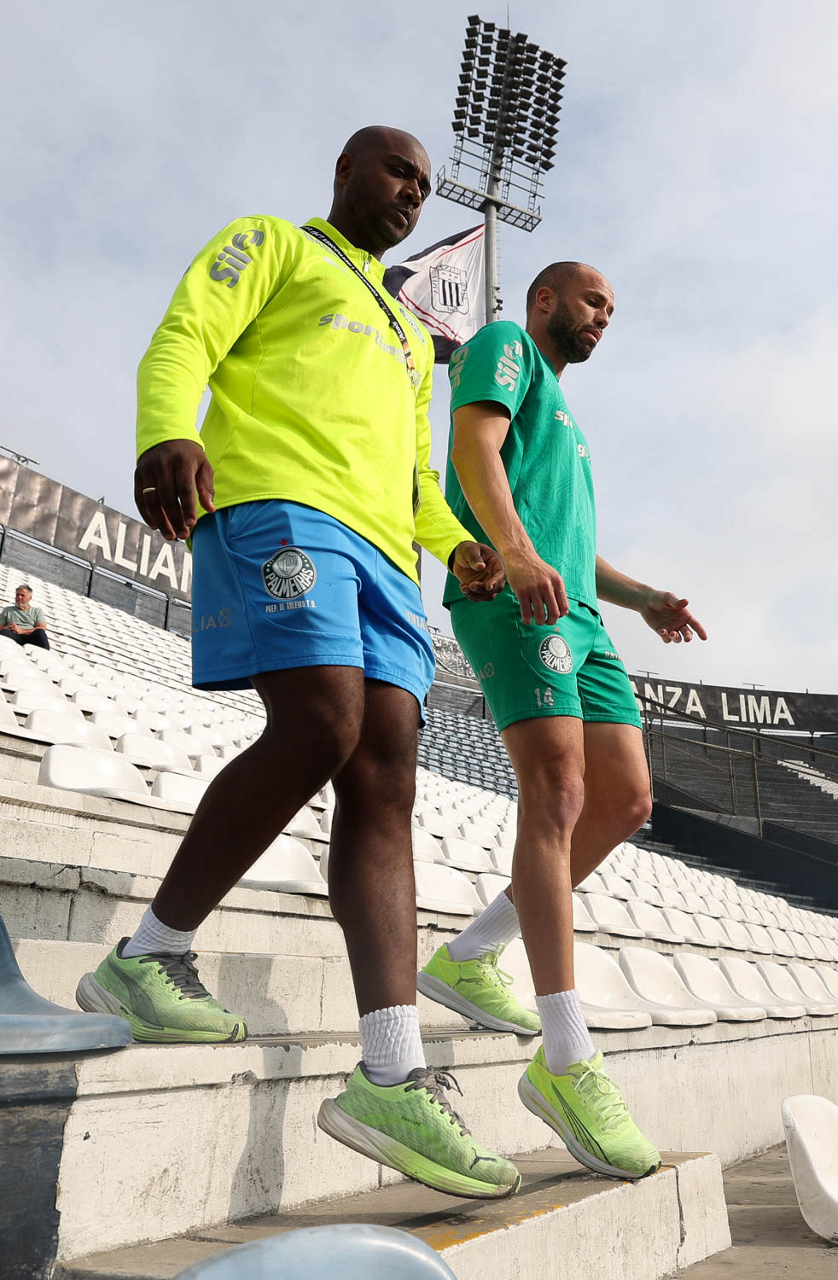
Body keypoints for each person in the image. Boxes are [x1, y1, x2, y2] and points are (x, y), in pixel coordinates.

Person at [76, 125, 521, 1201]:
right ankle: (147, 955)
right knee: (322, 721)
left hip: (386, 555)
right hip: (280, 506)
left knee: (387, 773)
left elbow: (411, 472)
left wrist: (453, 540)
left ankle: (391, 1073)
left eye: (425, 184)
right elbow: (186, 333)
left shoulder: (412, 333)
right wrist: (164, 429)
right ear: (344, 171)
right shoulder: (273, 242)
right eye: (397, 170)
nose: (412, 192)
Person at [418, 261, 708, 1181]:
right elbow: (472, 446)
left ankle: (470, 955)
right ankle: (567, 1056)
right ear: (545, 299)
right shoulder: (505, 345)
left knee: (627, 801)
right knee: (559, 795)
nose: (603, 318)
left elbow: (576, 548)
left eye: (612, 311)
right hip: (515, 593)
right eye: (593, 302)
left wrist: (645, 596)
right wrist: (511, 549)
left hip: (577, 609)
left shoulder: (568, 419)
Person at [0, 585, 50, 649]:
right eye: (17, 595)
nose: (19, 597)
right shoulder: (7, 610)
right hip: (13, 635)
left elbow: (42, 627)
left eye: (22, 595)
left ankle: (46, 652)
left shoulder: (37, 611)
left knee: (40, 632)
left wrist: (22, 631)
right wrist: (8, 627)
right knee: (4, 632)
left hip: (30, 637)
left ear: (30, 598)